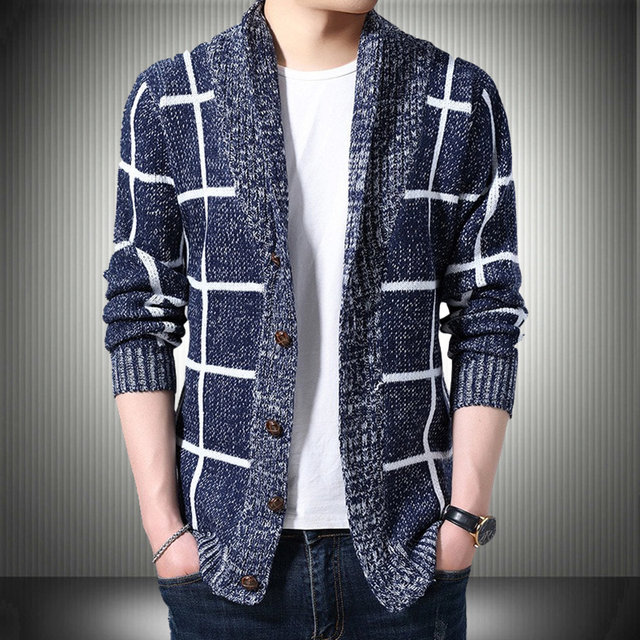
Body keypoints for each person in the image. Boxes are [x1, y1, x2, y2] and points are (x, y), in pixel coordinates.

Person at [102, 0, 527, 638]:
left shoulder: (459, 97)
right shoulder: (172, 96)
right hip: (222, 557)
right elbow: (140, 312)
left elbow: (489, 313)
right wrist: (164, 529)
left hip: (408, 557)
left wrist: (463, 521)